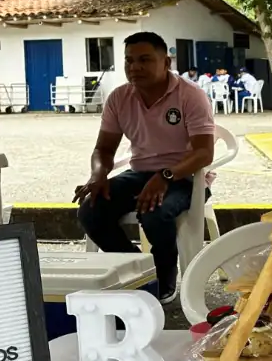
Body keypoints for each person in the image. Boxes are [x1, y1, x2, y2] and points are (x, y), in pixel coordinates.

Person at [75, 32, 216, 304]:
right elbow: (104, 149)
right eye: (129, 60)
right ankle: (139, 273)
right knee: (91, 209)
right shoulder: (119, 98)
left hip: (186, 177)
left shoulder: (190, 96)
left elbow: (203, 152)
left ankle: (164, 277)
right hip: (139, 173)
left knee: (155, 212)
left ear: (167, 62)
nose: (134, 67)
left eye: (144, 60)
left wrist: (165, 176)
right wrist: (98, 174)